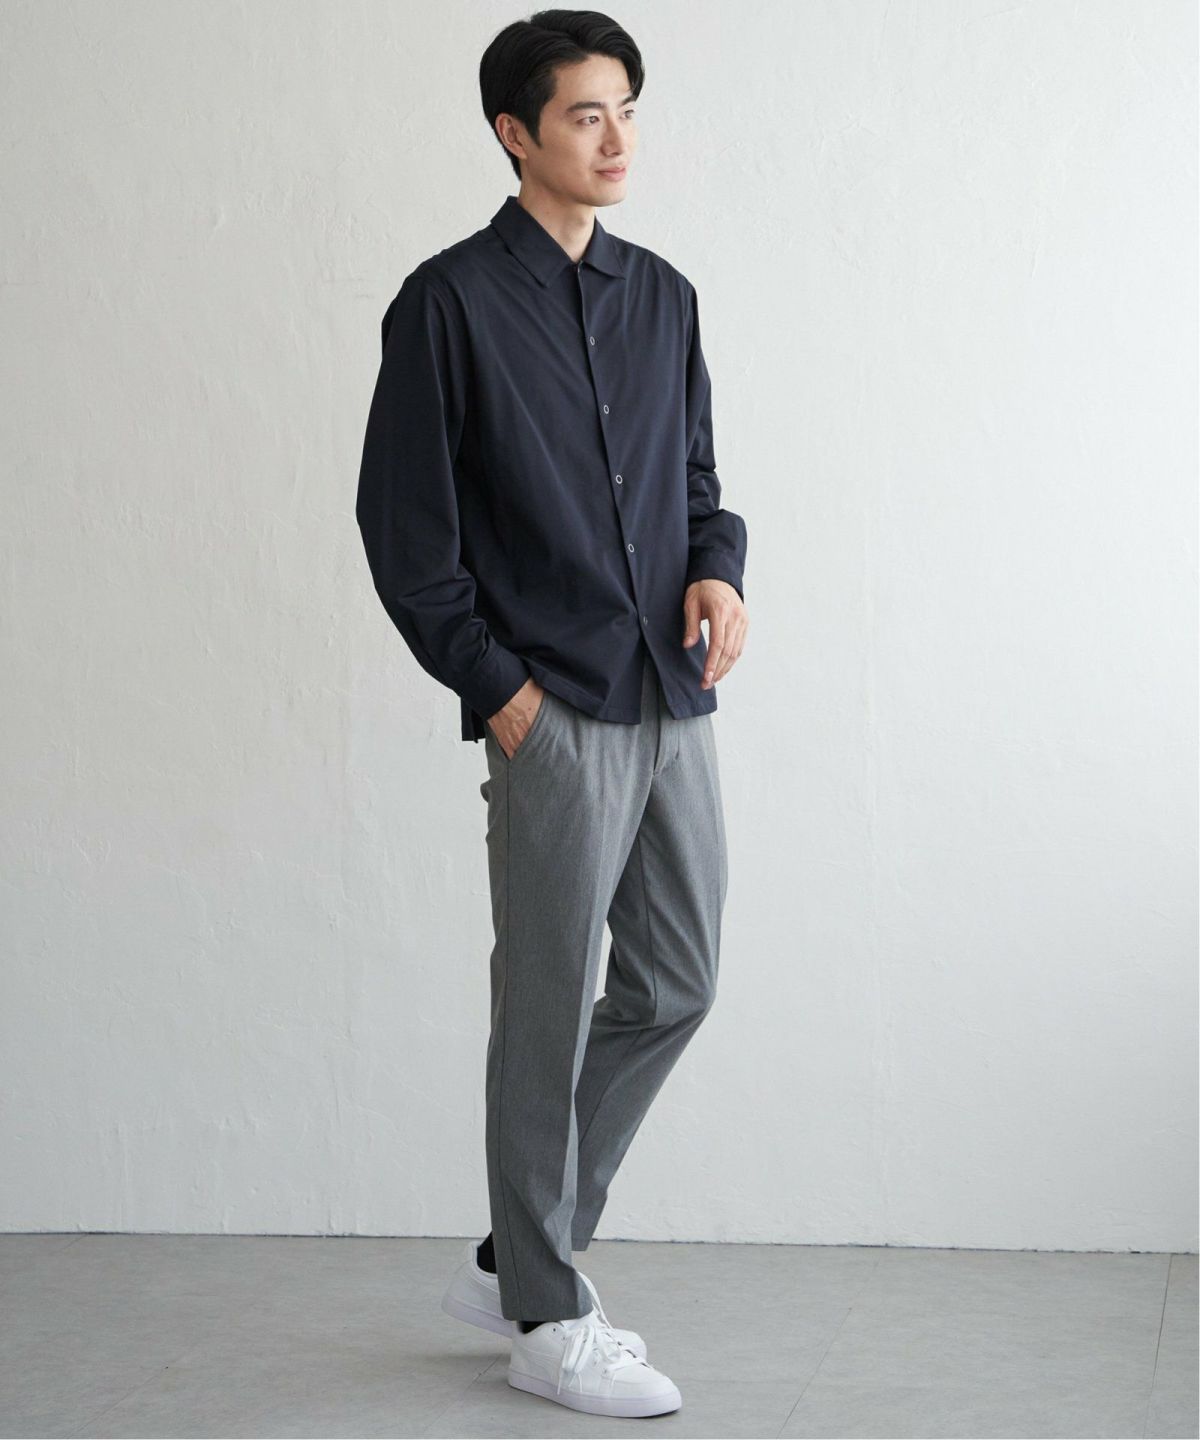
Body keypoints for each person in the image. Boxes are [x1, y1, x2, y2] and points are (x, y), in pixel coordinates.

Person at [355, 8, 748, 1419]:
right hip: (551, 706)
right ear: (515, 133)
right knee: (544, 1009)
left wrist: (719, 570)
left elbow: (696, 480)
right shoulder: (447, 304)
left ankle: (520, 1246)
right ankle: (543, 1309)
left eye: (627, 108)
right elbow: (405, 532)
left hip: (670, 691)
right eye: (587, 113)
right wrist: (499, 690)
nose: (618, 137)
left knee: (677, 978)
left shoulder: (665, 298)